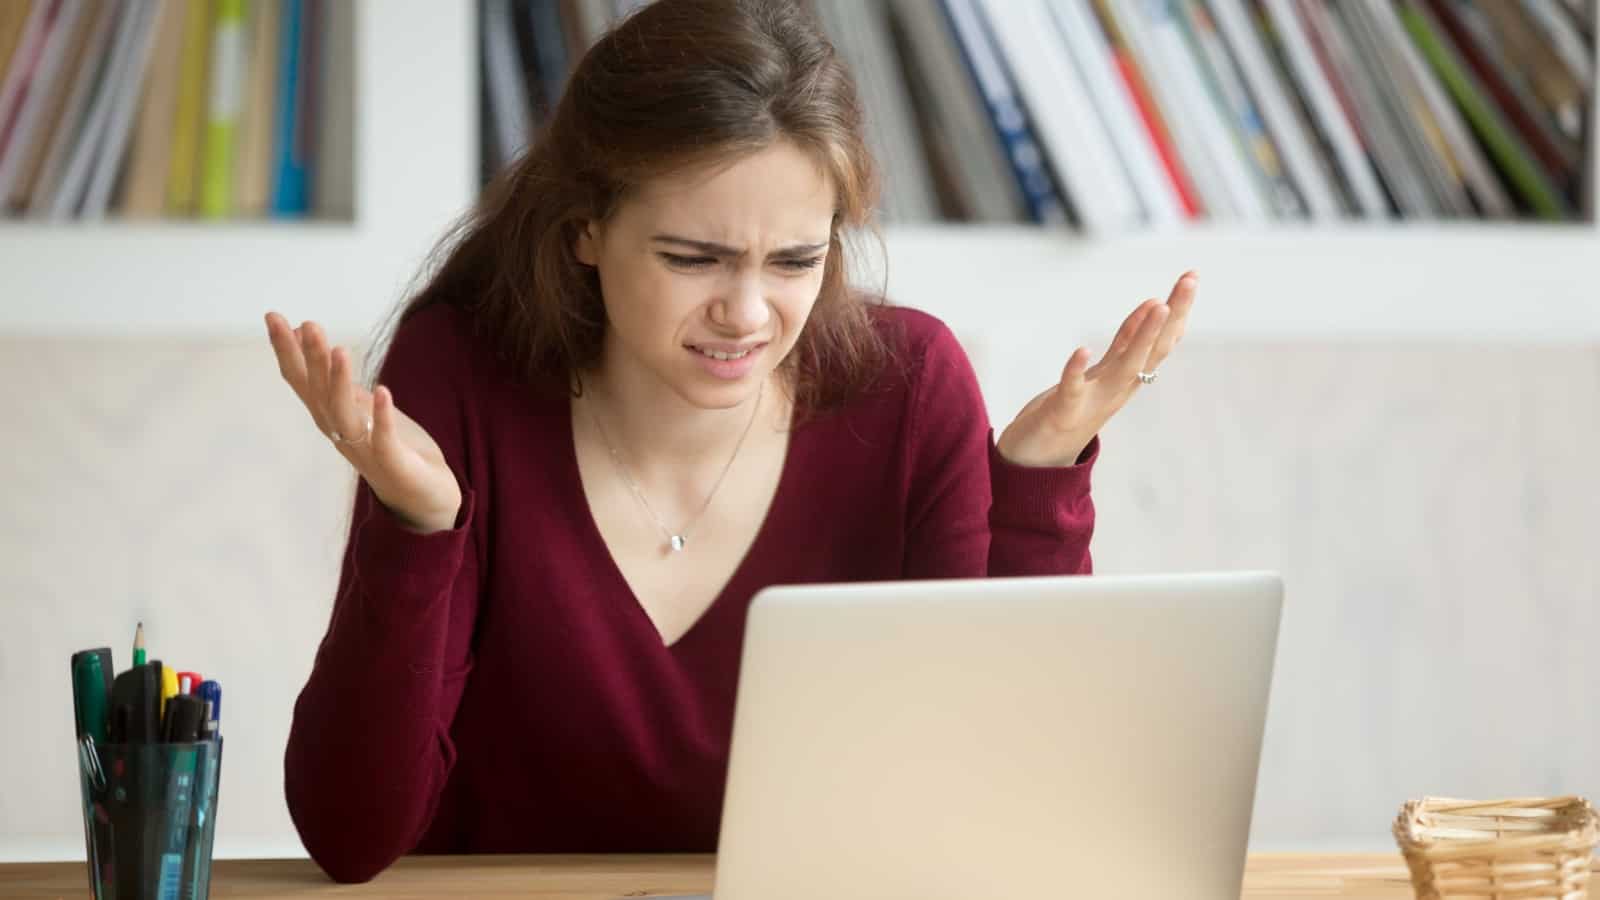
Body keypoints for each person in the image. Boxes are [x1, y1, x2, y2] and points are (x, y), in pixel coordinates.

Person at [268, 0, 1195, 884]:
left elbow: (1005, 812)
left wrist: (1033, 493)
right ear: (586, 227)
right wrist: (418, 529)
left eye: (796, 260)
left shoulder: (909, 386)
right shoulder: (461, 375)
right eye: (692, 258)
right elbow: (352, 836)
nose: (747, 314)